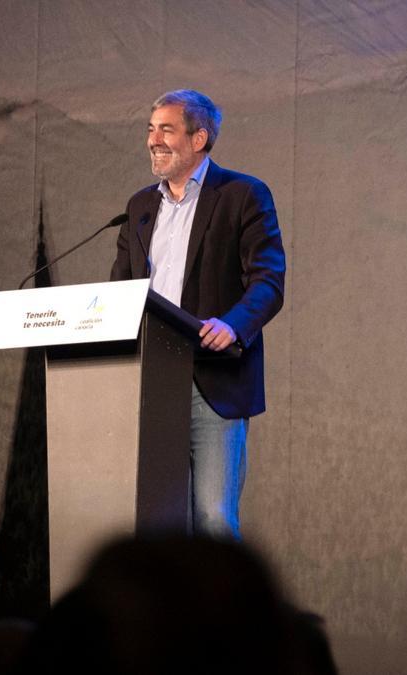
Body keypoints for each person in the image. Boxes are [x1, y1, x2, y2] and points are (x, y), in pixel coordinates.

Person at [110, 89, 285, 538]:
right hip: (151, 385)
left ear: (199, 137)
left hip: (214, 384)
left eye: (166, 129)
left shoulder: (242, 195)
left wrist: (233, 326)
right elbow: (120, 291)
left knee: (213, 520)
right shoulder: (140, 208)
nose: (153, 140)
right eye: (150, 129)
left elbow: (268, 282)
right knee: (160, 525)